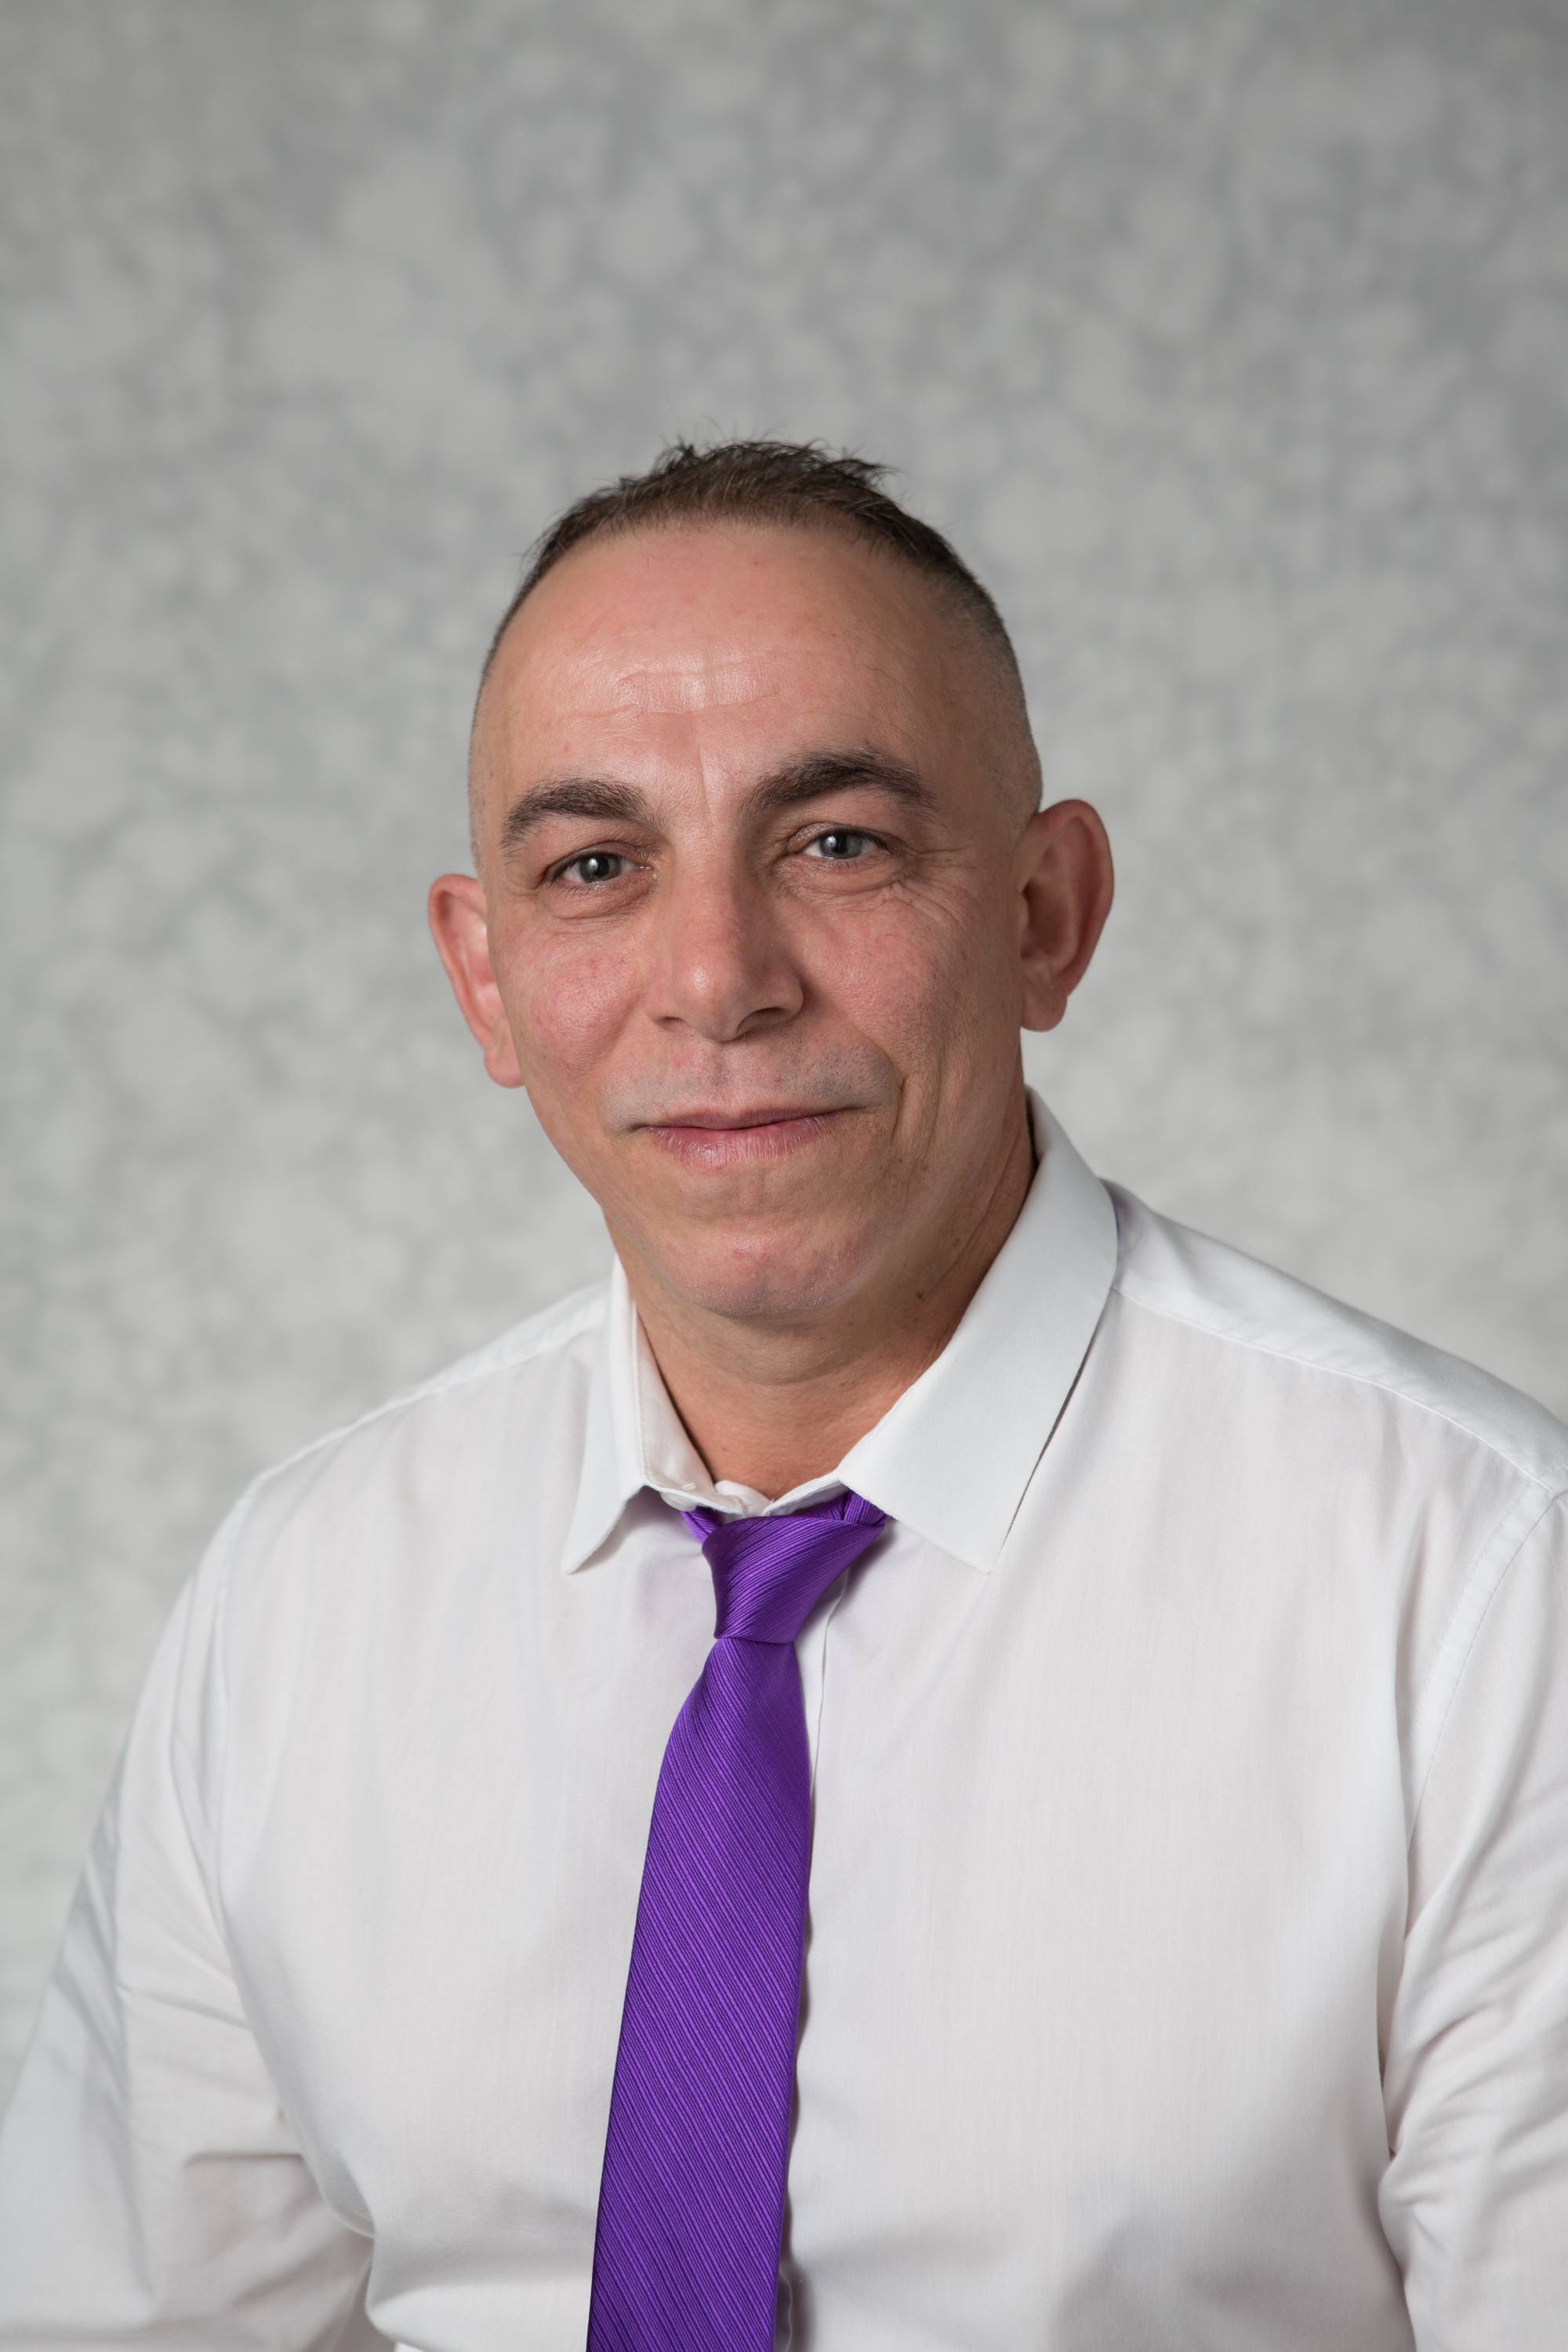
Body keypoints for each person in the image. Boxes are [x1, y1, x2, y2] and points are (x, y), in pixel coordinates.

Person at [1, 439, 1564, 2351]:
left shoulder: (1479, 1595)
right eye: (595, 868)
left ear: (1044, 913)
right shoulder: (299, 1598)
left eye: (836, 844)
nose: (718, 981)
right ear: (485, 981)